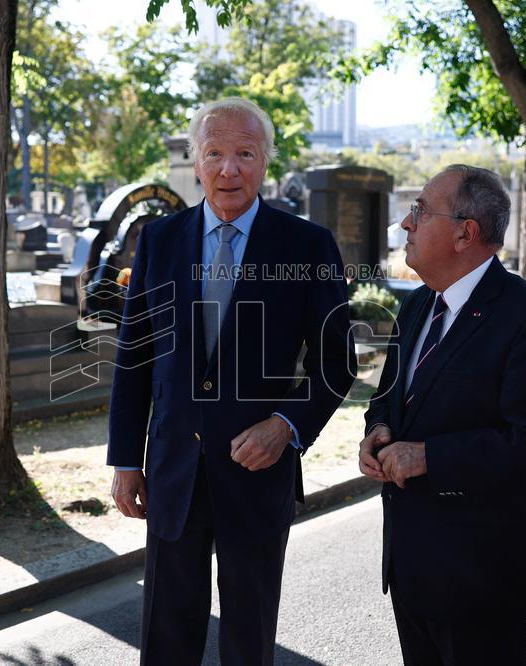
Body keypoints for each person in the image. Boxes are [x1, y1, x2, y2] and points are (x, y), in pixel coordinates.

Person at [107, 97, 356, 666]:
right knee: (166, 635)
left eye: (244, 153)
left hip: (257, 473)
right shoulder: (160, 241)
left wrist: (286, 424)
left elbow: (337, 362)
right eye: (215, 153)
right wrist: (125, 458)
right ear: (196, 161)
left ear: (265, 161)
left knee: (248, 639)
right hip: (173, 473)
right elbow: (135, 355)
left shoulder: (306, 246)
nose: (229, 169)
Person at [359, 165, 526, 664]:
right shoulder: (415, 307)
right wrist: (378, 429)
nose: (407, 225)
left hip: (484, 576)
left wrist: (430, 457)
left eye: (419, 211)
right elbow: (390, 397)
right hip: (412, 567)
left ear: (466, 232)